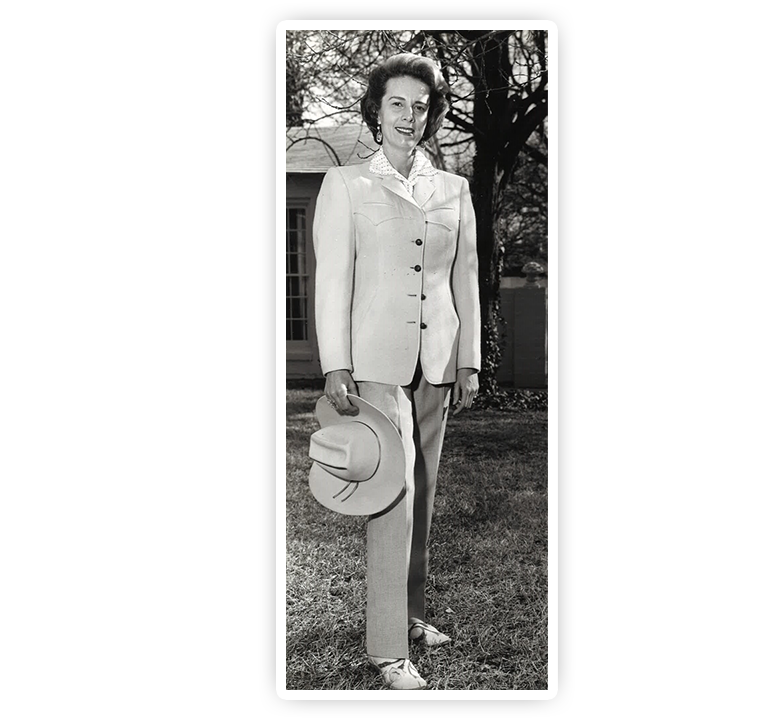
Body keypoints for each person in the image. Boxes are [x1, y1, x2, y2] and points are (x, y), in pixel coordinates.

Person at [312, 52, 480, 690]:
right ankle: (386, 650)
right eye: (397, 104)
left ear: (431, 114)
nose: (410, 117)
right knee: (393, 498)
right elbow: (332, 283)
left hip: (435, 362)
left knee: (425, 493)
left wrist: (469, 359)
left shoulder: (454, 190)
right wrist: (337, 365)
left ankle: (411, 617)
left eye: (421, 105)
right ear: (375, 111)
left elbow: (461, 278)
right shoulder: (347, 186)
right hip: (375, 365)